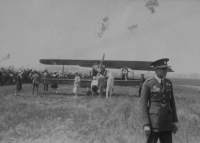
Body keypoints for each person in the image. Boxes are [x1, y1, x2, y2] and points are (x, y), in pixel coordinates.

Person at [140, 58, 178, 143]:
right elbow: (143, 105)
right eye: (163, 69)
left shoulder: (168, 83)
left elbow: (172, 102)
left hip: (167, 122)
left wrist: (174, 120)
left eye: (166, 68)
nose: (166, 71)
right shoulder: (147, 84)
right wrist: (146, 124)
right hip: (154, 124)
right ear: (156, 69)